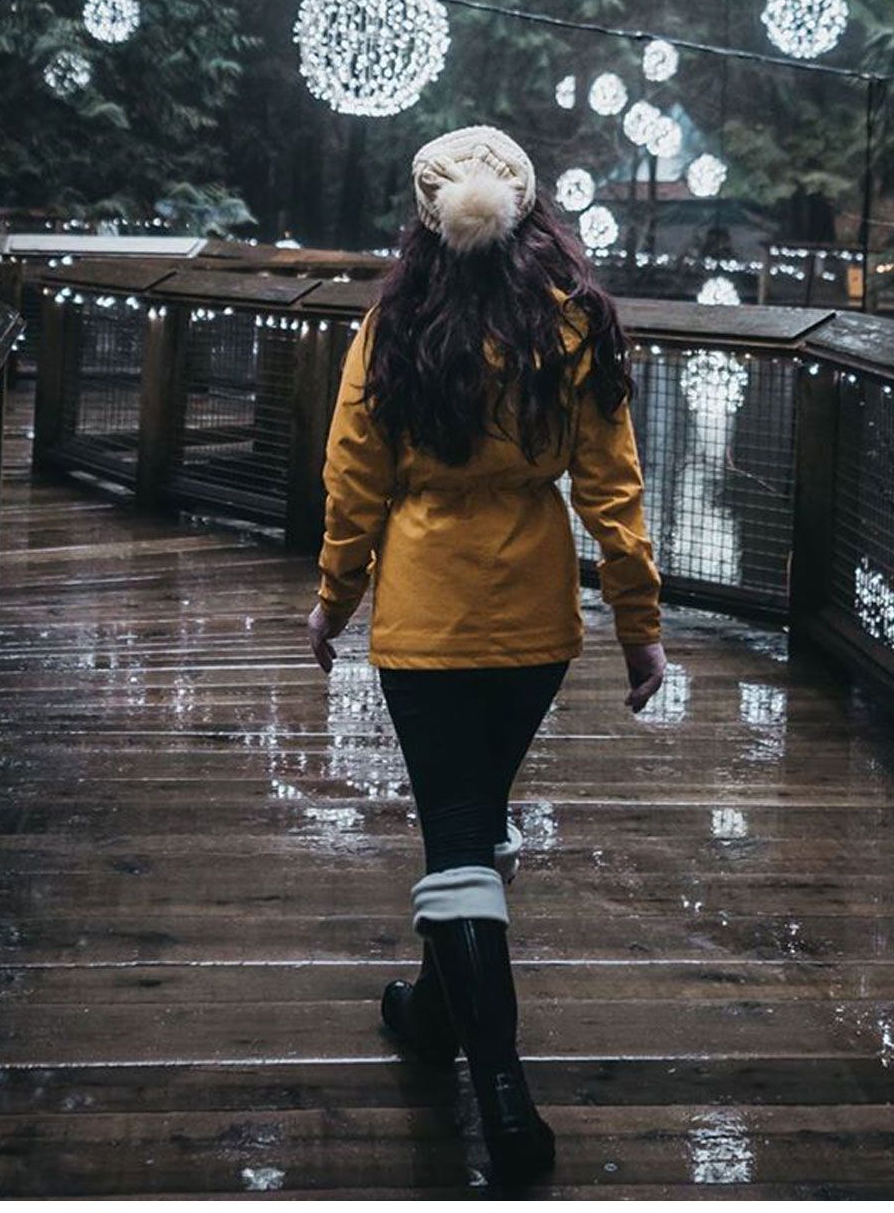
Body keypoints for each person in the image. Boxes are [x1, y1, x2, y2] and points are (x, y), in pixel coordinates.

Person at [303, 125, 667, 1189]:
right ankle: (428, 1014)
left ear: (425, 222)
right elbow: (613, 487)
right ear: (531, 212)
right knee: (468, 819)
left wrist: (333, 599)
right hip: (534, 626)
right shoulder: (577, 321)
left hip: (426, 621)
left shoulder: (395, 321)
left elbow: (352, 478)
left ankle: (504, 1096)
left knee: (457, 826)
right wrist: (638, 623)